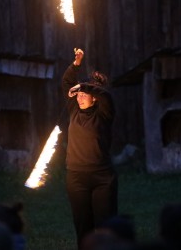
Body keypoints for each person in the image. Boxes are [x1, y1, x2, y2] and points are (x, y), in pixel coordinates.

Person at [62, 48, 118, 249]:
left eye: (84, 94)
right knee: (83, 227)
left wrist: (84, 85)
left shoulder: (104, 113)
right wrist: (76, 64)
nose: (79, 97)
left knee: (105, 227)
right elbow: (66, 83)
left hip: (103, 178)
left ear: (94, 97)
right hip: (76, 178)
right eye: (78, 95)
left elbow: (106, 95)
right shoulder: (73, 110)